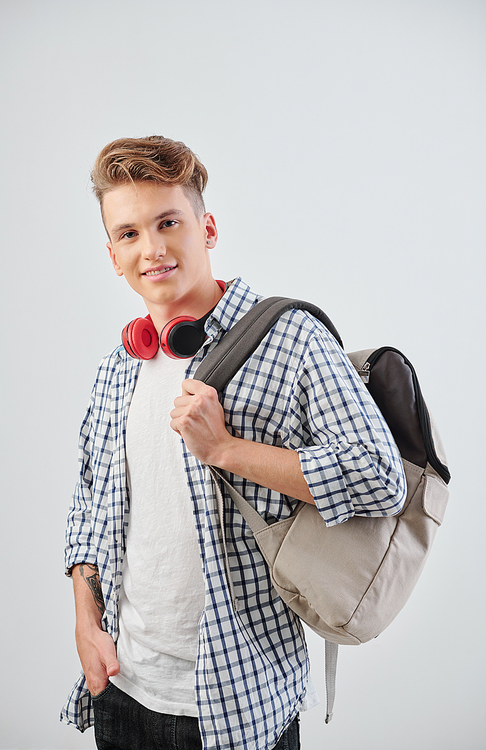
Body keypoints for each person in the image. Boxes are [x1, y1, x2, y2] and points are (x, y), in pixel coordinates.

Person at [61, 136, 406, 750]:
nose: (154, 248)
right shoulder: (119, 366)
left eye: (169, 222)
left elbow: (381, 476)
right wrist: (85, 620)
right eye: (131, 233)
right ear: (113, 254)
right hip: (123, 691)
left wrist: (226, 450)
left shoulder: (292, 340)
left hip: (240, 702)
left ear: (207, 227)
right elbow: (91, 504)